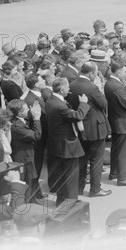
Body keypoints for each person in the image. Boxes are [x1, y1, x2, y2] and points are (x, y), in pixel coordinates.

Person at [68, 62, 112, 198]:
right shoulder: (92, 88)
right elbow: (104, 104)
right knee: (96, 160)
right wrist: (99, 89)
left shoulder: (72, 84)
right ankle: (95, 189)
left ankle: (79, 188)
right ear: (91, 73)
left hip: (80, 126)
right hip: (95, 128)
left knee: (81, 160)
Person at [45, 77, 90, 206]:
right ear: (62, 89)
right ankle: (70, 201)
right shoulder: (59, 106)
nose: (69, 90)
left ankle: (62, 200)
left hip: (58, 144)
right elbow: (78, 116)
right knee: (71, 176)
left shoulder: (51, 100)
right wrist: (83, 103)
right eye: (68, 87)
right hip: (67, 145)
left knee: (62, 174)